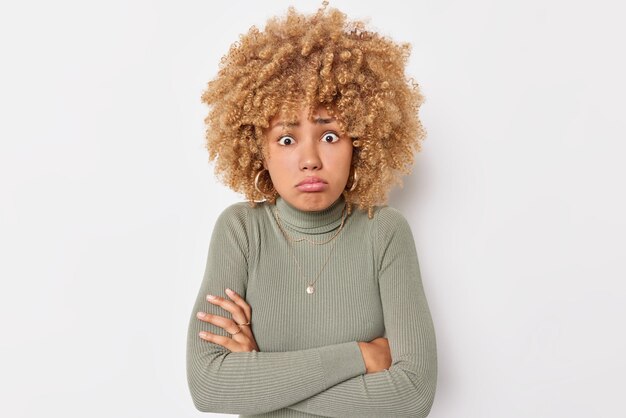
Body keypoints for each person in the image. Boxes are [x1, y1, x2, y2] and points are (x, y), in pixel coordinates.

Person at [186, 3, 437, 417]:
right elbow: (210, 387)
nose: (310, 160)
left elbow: (412, 396)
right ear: (259, 149)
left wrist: (258, 377)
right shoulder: (241, 231)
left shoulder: (385, 232)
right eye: (286, 139)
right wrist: (362, 355)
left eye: (331, 135)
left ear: (360, 141)